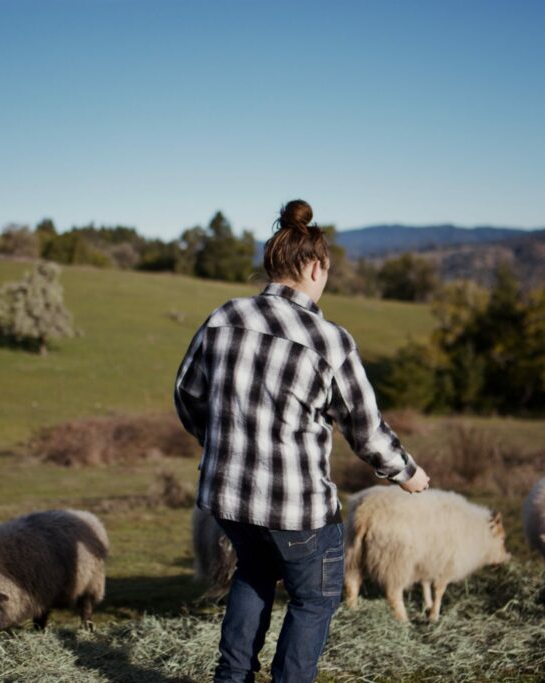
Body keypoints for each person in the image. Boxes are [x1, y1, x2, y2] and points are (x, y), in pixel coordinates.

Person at [174, 199, 430, 683]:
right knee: (315, 599)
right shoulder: (329, 340)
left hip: (230, 500)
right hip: (296, 510)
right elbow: (365, 427)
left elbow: (187, 394)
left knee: (252, 573)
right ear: (315, 267)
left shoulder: (224, 317)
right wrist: (407, 473)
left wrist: (223, 442)